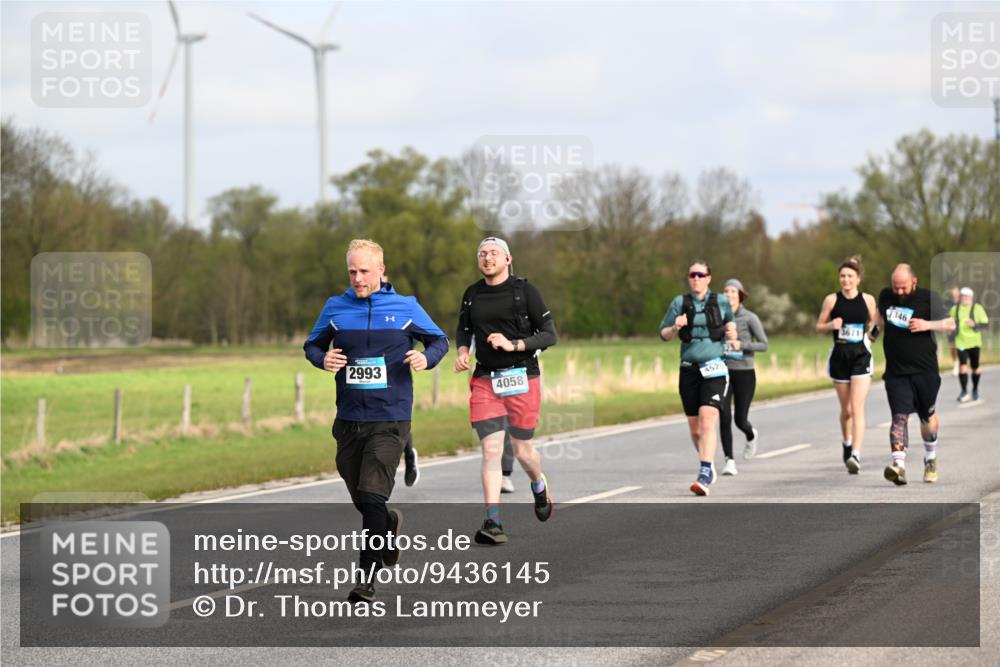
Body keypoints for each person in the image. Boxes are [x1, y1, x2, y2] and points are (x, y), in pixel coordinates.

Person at [303, 239, 449, 602]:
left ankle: (365, 580)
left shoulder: (406, 307)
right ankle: (387, 525)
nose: (357, 278)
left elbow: (439, 341)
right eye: (352, 271)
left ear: (381, 270)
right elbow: (312, 345)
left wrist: (425, 359)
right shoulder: (336, 308)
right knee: (364, 500)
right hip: (349, 418)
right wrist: (322, 360)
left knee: (371, 495)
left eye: (364, 271)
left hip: (391, 417)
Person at [454, 237, 556, 545]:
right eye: (482, 253)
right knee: (491, 451)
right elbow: (464, 329)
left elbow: (550, 335)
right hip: (486, 379)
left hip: (523, 377)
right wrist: (462, 351)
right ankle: (492, 521)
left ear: (508, 259)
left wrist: (513, 345)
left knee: (523, 450)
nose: (487, 258)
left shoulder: (526, 292)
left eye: (493, 253)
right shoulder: (472, 294)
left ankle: (538, 484)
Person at [659, 260, 737, 496]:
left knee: (707, 419)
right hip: (689, 369)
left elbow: (730, 325)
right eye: (692, 275)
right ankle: (708, 462)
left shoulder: (721, 302)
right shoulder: (679, 303)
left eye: (700, 275)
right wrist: (675, 327)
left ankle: (703, 472)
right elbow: (663, 334)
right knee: (695, 430)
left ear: (708, 278)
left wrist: (732, 334)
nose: (696, 278)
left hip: (715, 368)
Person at [874, 263, 955, 485]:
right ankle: (898, 466)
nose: (899, 292)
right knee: (899, 417)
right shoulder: (886, 296)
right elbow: (879, 319)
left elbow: (950, 324)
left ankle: (930, 458)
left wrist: (927, 324)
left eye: (903, 287)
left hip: (925, 371)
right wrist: (869, 337)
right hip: (896, 371)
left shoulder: (929, 298)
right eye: (895, 287)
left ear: (914, 282)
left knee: (927, 418)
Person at [815, 256, 878, 474]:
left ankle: (856, 455)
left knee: (857, 408)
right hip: (840, 356)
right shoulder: (831, 300)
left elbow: (877, 323)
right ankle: (846, 442)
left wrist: (872, 337)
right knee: (847, 410)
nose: (846, 280)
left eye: (850, 276)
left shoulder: (868, 300)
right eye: (842, 276)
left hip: (861, 355)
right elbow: (819, 326)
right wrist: (831, 324)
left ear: (858, 279)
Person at [719, 278, 768, 471]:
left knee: (740, 419)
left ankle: (750, 434)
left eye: (733, 291)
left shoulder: (750, 318)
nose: (729, 294)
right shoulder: (718, 318)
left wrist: (742, 345)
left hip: (745, 373)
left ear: (740, 295)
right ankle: (729, 461)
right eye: (726, 291)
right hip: (722, 372)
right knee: (723, 415)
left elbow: (764, 344)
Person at [951, 286, 989, 403]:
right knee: (962, 367)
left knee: (975, 368)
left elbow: (985, 325)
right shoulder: (955, 309)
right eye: (963, 296)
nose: (965, 298)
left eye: (967, 296)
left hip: (974, 342)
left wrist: (974, 325)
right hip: (961, 342)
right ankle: (964, 391)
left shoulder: (977, 308)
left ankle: (975, 391)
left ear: (971, 297)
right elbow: (950, 323)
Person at [944, 286, 961, 376]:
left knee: (961, 347)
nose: (954, 293)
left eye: (956, 291)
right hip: (951, 328)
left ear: (959, 292)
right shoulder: (948, 303)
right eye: (953, 291)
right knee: (953, 347)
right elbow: (945, 315)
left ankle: (962, 364)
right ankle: (955, 364)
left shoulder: (962, 303)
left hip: (961, 328)